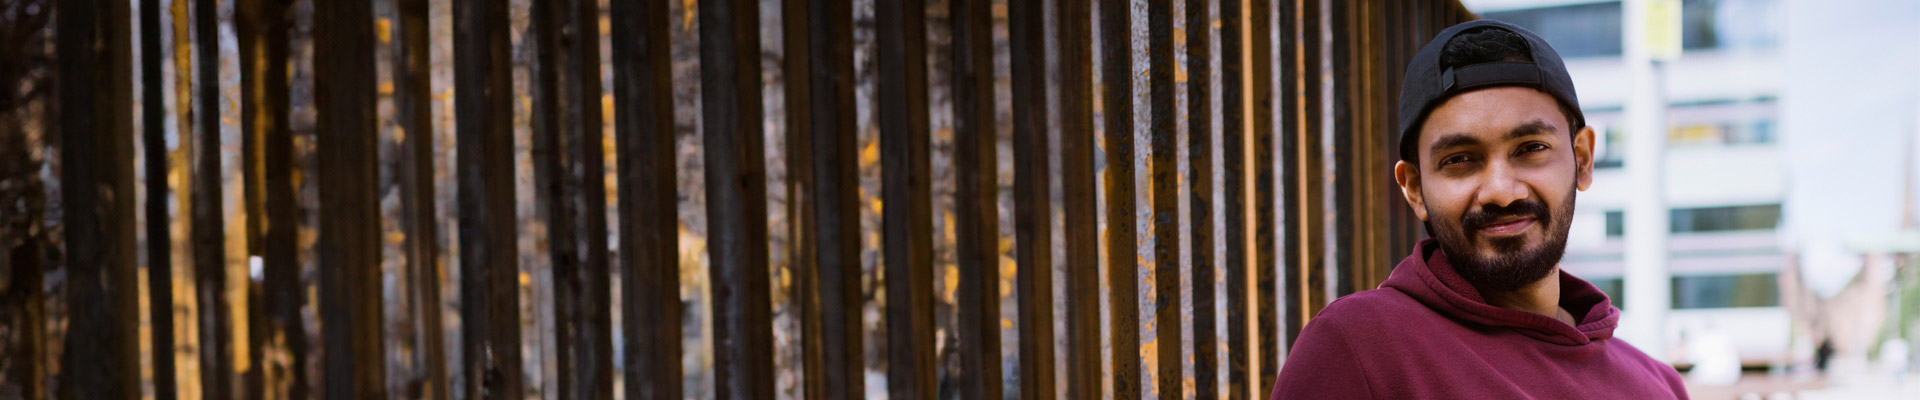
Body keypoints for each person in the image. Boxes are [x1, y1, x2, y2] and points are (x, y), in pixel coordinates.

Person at [1268, 20, 1688, 399]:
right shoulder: (1357, 348)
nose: (1501, 192)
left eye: (1531, 149)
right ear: (1414, 189)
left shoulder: (1656, 385)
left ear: (1582, 159)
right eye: (1460, 159)